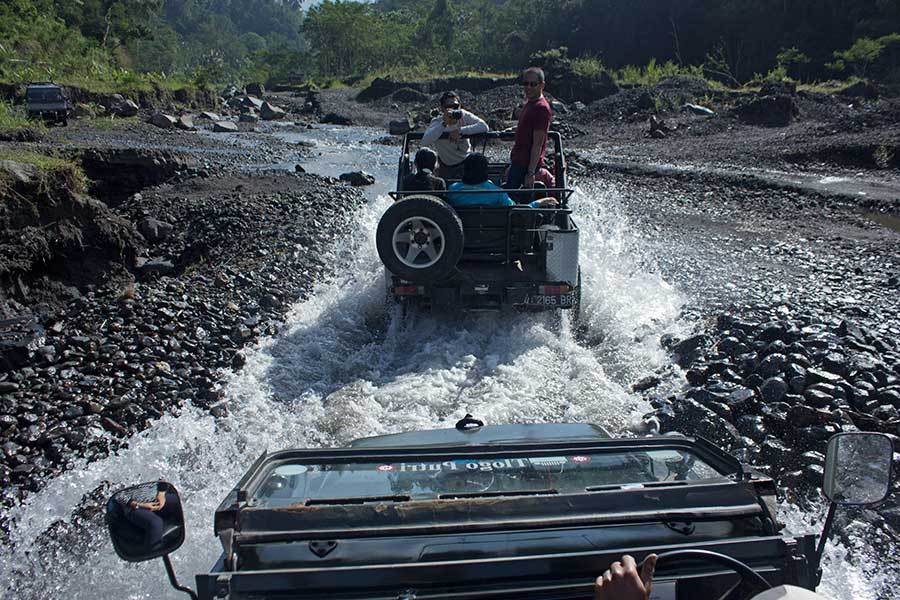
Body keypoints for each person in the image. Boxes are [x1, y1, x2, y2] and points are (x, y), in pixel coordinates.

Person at [448, 153, 557, 208]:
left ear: (465, 170)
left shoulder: (452, 190)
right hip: (496, 238)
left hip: (458, 238)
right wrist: (539, 202)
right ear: (485, 171)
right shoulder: (497, 193)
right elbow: (518, 211)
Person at [505, 67, 552, 190]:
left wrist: (530, 173)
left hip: (525, 166)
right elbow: (528, 129)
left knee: (512, 197)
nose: (528, 87)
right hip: (518, 162)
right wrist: (514, 131)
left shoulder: (541, 108)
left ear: (542, 85)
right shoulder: (530, 104)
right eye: (526, 83)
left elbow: (538, 143)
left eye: (533, 84)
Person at [422, 91, 488, 179]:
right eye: (449, 107)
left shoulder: (464, 115)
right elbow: (425, 141)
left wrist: (461, 131)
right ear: (442, 108)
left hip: (466, 163)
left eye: (455, 106)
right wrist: (443, 124)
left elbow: (484, 126)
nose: (453, 109)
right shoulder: (437, 122)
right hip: (446, 167)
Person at [122, 481, 182, 550]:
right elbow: (118, 495)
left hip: (157, 497)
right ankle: (154, 551)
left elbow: (162, 477)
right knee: (155, 523)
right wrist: (139, 504)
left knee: (181, 503)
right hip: (133, 506)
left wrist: (161, 493)